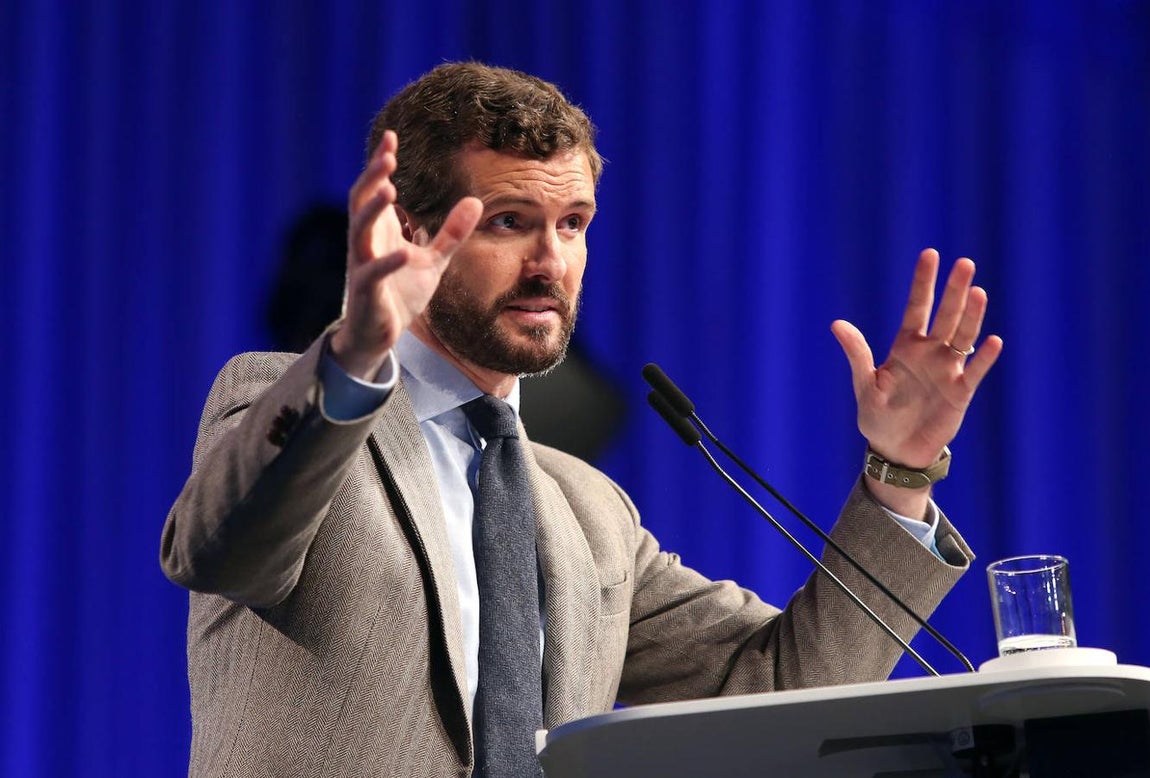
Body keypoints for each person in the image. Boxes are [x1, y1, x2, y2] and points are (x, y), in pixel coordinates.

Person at [160, 62, 1001, 777]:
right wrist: (350, 356)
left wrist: (898, 473)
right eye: (509, 223)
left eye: (573, 225)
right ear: (409, 229)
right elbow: (222, 548)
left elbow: (783, 681)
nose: (549, 263)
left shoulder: (589, 513)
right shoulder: (282, 399)